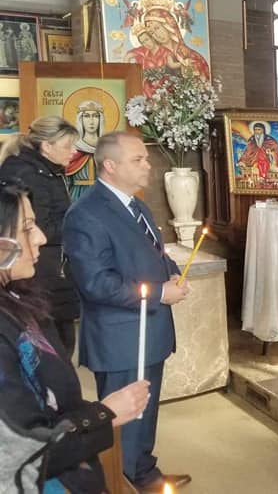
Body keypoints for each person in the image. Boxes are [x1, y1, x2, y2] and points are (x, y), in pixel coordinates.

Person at [0, 180, 149, 493]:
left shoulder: (18, 296)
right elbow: (21, 452)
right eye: (26, 228)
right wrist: (104, 414)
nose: (41, 238)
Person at [62, 132, 191, 492]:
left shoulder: (137, 205)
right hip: (120, 337)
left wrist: (170, 273)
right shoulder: (86, 214)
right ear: (110, 165)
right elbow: (95, 282)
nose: (148, 165)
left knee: (145, 415)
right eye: (138, 160)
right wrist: (158, 293)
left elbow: (155, 252)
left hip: (149, 330)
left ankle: (144, 473)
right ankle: (123, 483)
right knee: (124, 422)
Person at [0, 117, 83, 359]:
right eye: (67, 146)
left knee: (62, 341)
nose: (74, 151)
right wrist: (79, 223)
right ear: (47, 146)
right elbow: (42, 227)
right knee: (52, 347)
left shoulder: (47, 170)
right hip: (40, 272)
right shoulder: (28, 174)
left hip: (51, 270)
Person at [142, 7, 210, 81]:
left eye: (157, 28)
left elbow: (204, 81)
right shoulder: (154, 58)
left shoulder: (193, 56)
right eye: (151, 33)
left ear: (168, 26)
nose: (156, 35)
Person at [65, 100, 105, 200]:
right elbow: (65, 180)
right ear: (80, 119)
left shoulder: (106, 148)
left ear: (100, 119)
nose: (91, 121)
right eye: (86, 116)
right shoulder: (74, 148)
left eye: (95, 116)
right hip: (77, 197)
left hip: (102, 196)